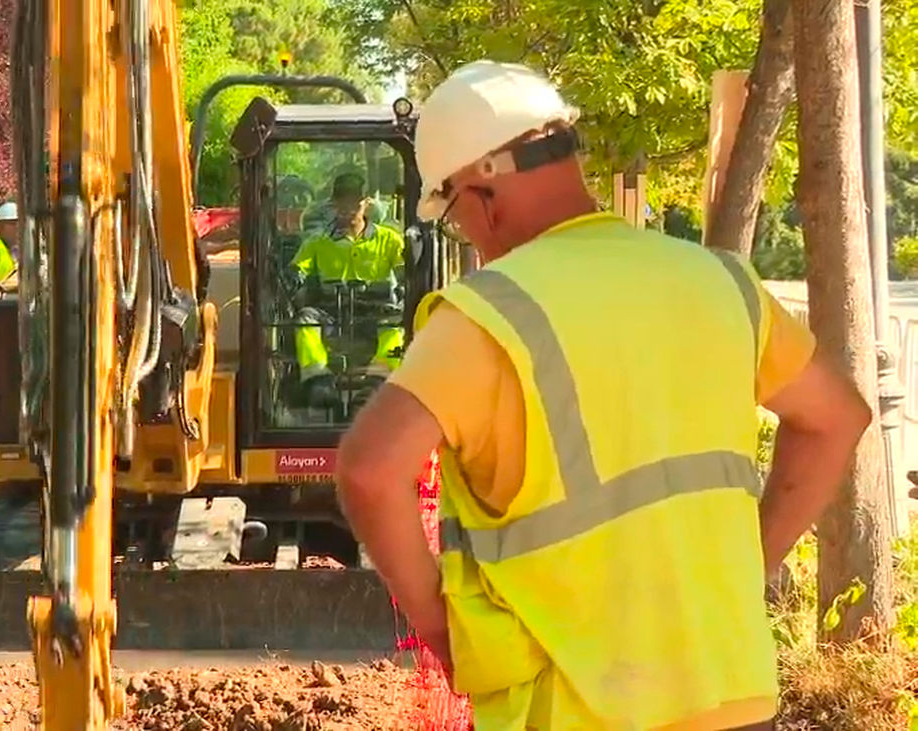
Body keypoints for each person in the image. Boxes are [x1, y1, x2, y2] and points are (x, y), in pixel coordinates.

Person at [334, 60, 871, 730]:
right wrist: (751, 561)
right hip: (731, 697)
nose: (468, 235)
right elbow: (838, 417)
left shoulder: (488, 315)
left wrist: (442, 631)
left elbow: (368, 469)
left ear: (482, 193)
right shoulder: (720, 281)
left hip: (574, 708)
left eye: (454, 215)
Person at [287, 172, 405, 408]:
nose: (348, 207)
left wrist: (404, 286)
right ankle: (318, 381)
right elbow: (296, 270)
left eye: (354, 201)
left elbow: (405, 271)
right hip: (332, 314)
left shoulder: (390, 240)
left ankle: (376, 384)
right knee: (305, 319)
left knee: (396, 321)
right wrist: (292, 278)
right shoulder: (317, 242)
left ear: (367, 203)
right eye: (342, 201)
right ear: (333, 204)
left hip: (375, 314)